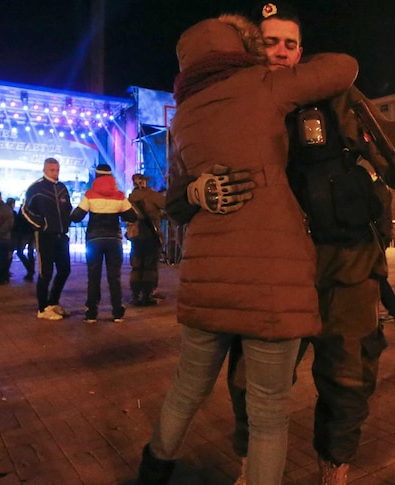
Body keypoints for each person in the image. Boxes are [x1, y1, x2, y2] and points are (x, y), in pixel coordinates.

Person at [161, 5, 395, 484]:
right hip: (269, 276)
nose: (280, 52)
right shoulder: (222, 103)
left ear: (302, 50)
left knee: (350, 374)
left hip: (346, 263)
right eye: (269, 43)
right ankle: (249, 463)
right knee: (247, 384)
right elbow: (177, 196)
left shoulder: (337, 97)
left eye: (290, 44)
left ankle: (334, 464)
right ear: (250, 51)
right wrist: (196, 193)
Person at [137, 11, 359, 485]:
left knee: (186, 388)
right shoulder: (262, 85)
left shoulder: (186, 117)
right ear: (244, 50)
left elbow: (176, 201)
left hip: (206, 277)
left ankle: (154, 469)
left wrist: (197, 192)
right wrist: (286, 65)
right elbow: (345, 67)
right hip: (271, 278)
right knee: (269, 413)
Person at [70, 164, 137, 324]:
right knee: (115, 277)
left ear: (96, 175)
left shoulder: (90, 195)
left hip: (94, 240)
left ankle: (92, 313)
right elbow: (132, 216)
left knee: (93, 277)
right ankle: (117, 312)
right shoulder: (119, 195)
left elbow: (76, 216)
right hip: (114, 240)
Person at [22, 157, 73, 320]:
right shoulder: (36, 188)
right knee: (46, 272)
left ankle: (53, 303)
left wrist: (67, 222)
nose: (55, 172)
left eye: (57, 169)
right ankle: (42, 308)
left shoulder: (62, 188)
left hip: (61, 235)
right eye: (52, 169)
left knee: (65, 269)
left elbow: (68, 208)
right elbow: (25, 210)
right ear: (44, 169)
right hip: (45, 236)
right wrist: (41, 224)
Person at [127, 173, 166, 306]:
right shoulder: (151, 195)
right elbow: (166, 204)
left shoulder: (130, 198)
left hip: (136, 236)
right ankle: (147, 295)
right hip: (150, 235)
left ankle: (135, 295)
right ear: (143, 182)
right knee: (150, 266)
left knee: (137, 266)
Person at [9, 197, 36, 282]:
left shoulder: (23, 210)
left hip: (24, 233)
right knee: (30, 252)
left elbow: (19, 222)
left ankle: (30, 270)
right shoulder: (35, 209)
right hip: (32, 232)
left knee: (21, 252)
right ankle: (30, 271)